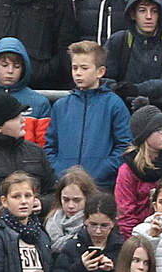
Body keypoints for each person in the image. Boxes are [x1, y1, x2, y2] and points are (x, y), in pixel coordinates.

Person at [46, 41, 132, 190]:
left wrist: (102, 170)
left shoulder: (114, 104)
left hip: (101, 186)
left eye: (84, 68)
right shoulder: (60, 106)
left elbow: (125, 146)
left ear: (100, 72)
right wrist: (60, 171)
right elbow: (50, 146)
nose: (78, 73)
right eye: (74, 68)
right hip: (65, 186)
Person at [115, 105, 162, 234]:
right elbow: (126, 215)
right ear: (144, 134)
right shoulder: (128, 170)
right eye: (159, 130)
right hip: (142, 235)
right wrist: (140, 242)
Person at [0, 38, 50, 147]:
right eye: (4, 65)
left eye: (16, 66)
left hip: (27, 161)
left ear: (24, 69)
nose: (10, 71)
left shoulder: (39, 102)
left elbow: (45, 145)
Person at [0, 94, 51, 194]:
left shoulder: (36, 152)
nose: (23, 120)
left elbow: (53, 192)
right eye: (15, 117)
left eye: (21, 115)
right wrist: (8, 205)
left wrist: (41, 203)